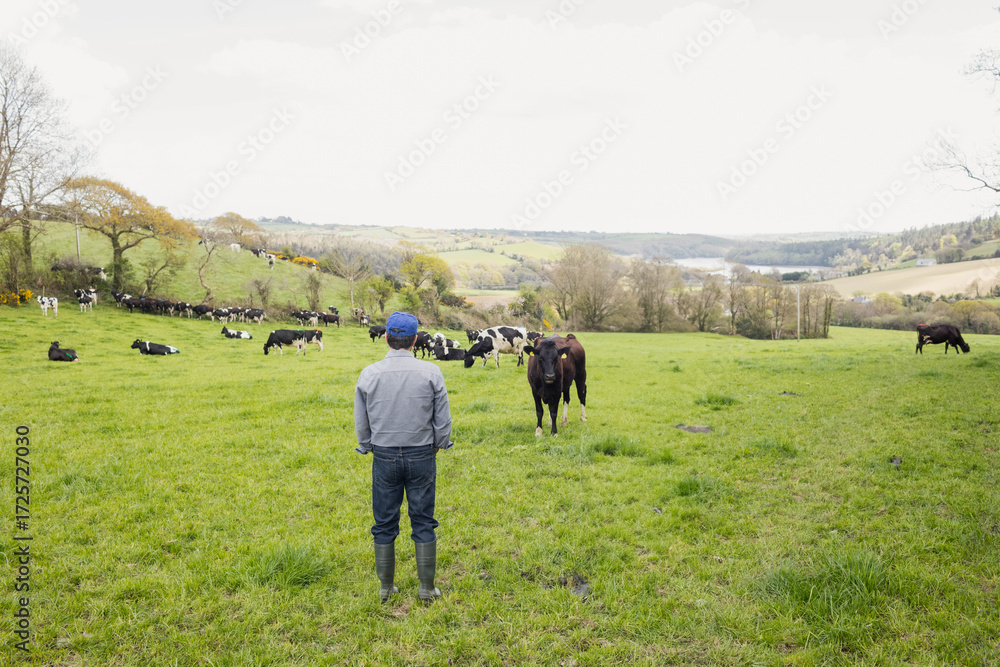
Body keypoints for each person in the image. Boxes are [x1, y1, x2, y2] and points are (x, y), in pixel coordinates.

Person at [354, 311, 453, 603]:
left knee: (384, 521)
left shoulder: (369, 373)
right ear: (414, 340)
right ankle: (426, 588)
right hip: (422, 453)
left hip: (384, 455)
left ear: (386, 338)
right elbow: (443, 419)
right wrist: (438, 444)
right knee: (423, 519)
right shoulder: (432, 372)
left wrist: (367, 445)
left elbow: (362, 420)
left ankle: (386, 588)